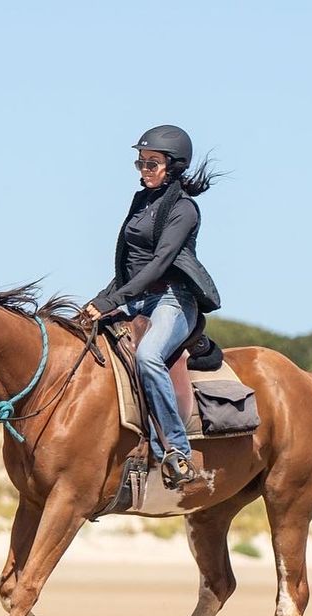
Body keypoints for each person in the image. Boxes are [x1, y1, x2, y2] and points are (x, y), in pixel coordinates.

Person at [83, 124, 223, 488]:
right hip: (134, 295)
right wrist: (102, 298)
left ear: (173, 167)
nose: (144, 170)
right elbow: (130, 262)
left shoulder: (184, 210)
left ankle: (176, 450)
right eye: (140, 163)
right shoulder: (141, 200)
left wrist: (113, 300)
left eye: (152, 163)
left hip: (172, 300)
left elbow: (160, 263)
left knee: (147, 357)